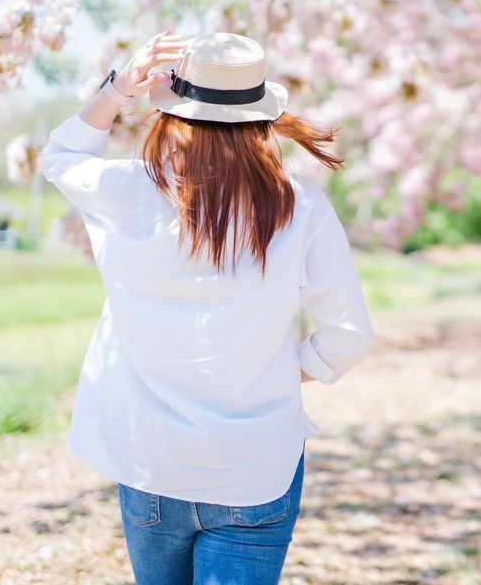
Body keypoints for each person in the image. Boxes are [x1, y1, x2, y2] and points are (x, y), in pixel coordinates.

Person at [38, 29, 374, 584]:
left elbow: (62, 153)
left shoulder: (129, 190)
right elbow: (349, 335)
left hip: (153, 461)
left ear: (173, 114)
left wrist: (120, 87)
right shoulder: (301, 206)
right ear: (260, 118)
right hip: (254, 467)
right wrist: (283, 370)